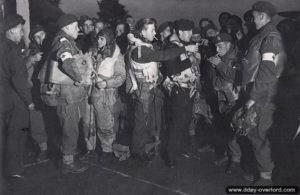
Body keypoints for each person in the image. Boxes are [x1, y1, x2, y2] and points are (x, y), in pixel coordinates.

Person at [128, 17, 198, 163]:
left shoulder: (145, 46)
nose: (154, 33)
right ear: (142, 31)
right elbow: (162, 56)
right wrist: (185, 48)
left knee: (150, 120)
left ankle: (145, 148)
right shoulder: (139, 49)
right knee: (142, 121)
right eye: (152, 30)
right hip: (144, 89)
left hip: (151, 86)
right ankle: (137, 152)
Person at [39, 14, 90, 174]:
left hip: (68, 94)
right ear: (67, 27)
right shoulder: (64, 42)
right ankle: (67, 163)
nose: (78, 29)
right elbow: (67, 62)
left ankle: (69, 155)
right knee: (70, 127)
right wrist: (80, 78)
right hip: (67, 95)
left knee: (70, 126)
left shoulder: (64, 40)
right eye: (75, 26)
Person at [242, 1, 286, 185]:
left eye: (253, 17)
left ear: (261, 15)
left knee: (259, 135)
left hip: (263, 96)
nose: (251, 21)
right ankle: (263, 172)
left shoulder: (270, 37)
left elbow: (267, 71)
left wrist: (253, 98)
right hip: (260, 93)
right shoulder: (264, 35)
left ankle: (266, 178)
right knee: (256, 134)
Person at [162, 19, 201, 168]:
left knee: (184, 122)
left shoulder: (182, 45)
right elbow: (172, 70)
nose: (191, 35)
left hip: (187, 89)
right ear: (179, 33)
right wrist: (189, 56)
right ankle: (171, 157)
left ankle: (178, 150)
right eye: (188, 32)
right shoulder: (173, 47)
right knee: (177, 123)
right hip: (179, 90)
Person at [1, 14, 34, 178]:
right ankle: (14, 168)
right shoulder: (13, 49)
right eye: (20, 30)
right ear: (12, 31)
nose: (22, 34)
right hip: (14, 97)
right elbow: (19, 78)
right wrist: (29, 101)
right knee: (18, 132)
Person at [91, 28, 126, 161]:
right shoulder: (97, 53)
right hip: (94, 92)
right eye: (98, 38)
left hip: (107, 94)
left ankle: (108, 151)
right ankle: (98, 148)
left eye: (102, 39)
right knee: (95, 123)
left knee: (107, 124)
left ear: (109, 40)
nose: (99, 41)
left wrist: (107, 83)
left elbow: (121, 77)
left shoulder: (117, 56)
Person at [25, 25, 49, 162]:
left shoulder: (51, 49)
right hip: (34, 91)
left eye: (42, 35)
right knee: (36, 121)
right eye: (36, 36)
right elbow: (23, 73)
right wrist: (31, 59)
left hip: (48, 91)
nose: (40, 38)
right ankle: (42, 149)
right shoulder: (30, 52)